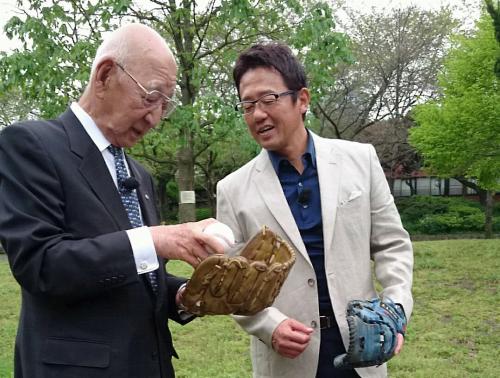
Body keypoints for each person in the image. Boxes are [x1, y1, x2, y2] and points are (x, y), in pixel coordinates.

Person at [0, 23, 225, 378]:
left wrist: (187, 294)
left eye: (163, 106)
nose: (154, 119)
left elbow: (138, 277)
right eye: (150, 98)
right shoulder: (31, 145)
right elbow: (42, 265)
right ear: (105, 75)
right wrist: (157, 239)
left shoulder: (140, 174)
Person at [216, 42, 414, 378]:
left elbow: (392, 245)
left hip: (363, 349)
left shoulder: (360, 160)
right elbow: (235, 286)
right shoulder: (232, 190)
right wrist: (268, 325)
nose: (258, 114)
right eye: (247, 105)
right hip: (287, 360)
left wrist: (395, 309)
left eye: (268, 100)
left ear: (302, 100)